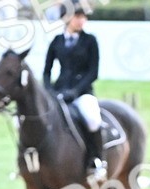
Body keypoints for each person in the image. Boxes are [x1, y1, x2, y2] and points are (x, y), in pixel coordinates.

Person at [43, 6, 105, 180]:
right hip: (59, 91)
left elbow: (93, 72)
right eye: (77, 16)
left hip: (82, 92)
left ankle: (96, 159)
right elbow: (46, 71)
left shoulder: (90, 41)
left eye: (83, 17)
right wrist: (48, 89)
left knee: (92, 118)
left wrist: (75, 91)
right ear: (66, 18)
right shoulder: (56, 41)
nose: (81, 20)